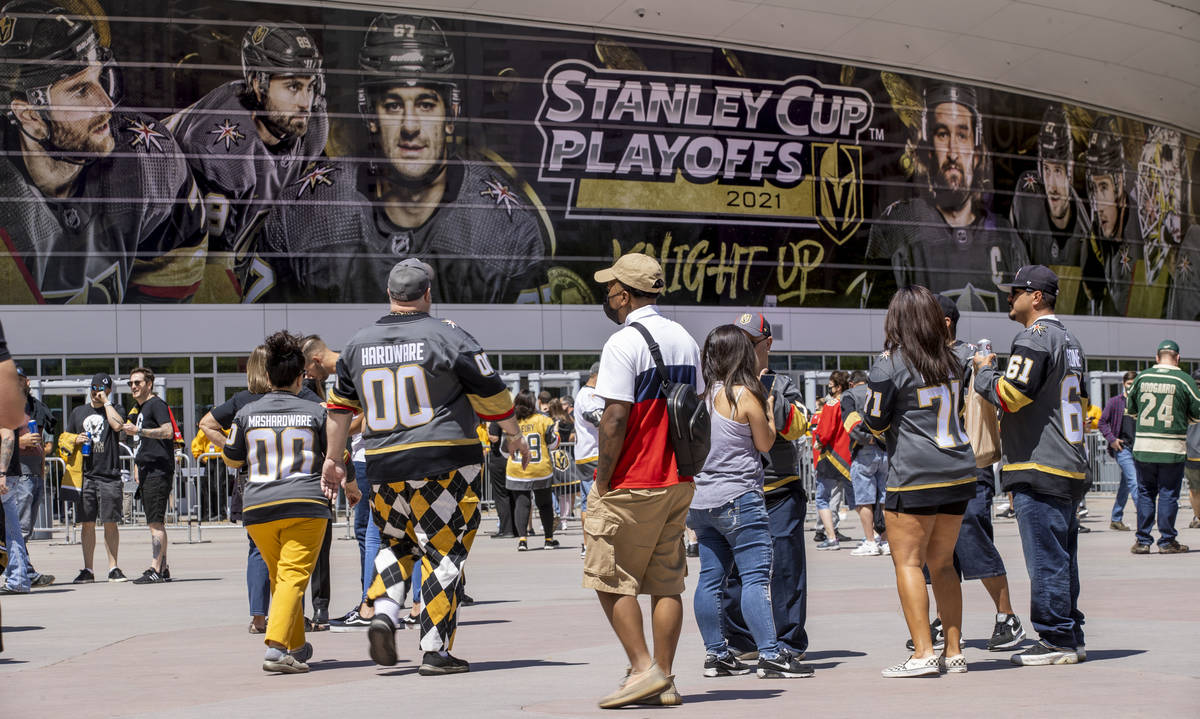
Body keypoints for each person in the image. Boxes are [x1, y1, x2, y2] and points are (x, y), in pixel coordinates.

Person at [321, 258, 530, 676]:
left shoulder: (358, 344)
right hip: (446, 462)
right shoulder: (448, 337)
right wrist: (511, 433)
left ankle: (383, 610)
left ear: (390, 296)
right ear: (428, 295)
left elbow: (339, 410)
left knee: (395, 543)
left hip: (382, 464)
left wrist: (333, 458)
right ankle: (435, 649)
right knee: (445, 551)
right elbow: (493, 393)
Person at [258, 13, 547, 303]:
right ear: (370, 116)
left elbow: (531, 344)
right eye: (394, 105)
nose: (410, 126)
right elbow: (263, 337)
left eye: (425, 105)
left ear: (451, 114)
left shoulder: (506, 228)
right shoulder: (303, 212)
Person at [0, 0, 207, 304]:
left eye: (100, 78)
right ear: (29, 114)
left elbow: (171, 295)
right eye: (80, 90)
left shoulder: (147, 159)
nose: (106, 105)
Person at [583, 252, 701, 708]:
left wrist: (604, 478)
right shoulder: (685, 339)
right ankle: (665, 679)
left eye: (611, 288)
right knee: (667, 581)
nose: (608, 295)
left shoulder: (623, 341)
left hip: (634, 477)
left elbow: (614, 417)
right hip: (677, 478)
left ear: (624, 294)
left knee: (609, 577)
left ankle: (640, 668)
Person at [222, 331, 358, 674]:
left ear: (267, 378)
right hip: (305, 503)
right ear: (301, 378)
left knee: (283, 577)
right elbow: (338, 451)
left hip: (258, 507)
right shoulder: (317, 410)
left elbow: (231, 458)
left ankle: (296, 644)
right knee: (295, 574)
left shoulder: (246, 413)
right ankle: (276, 648)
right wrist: (350, 482)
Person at [974, 265, 1090, 665]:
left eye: (1016, 291)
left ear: (1036, 297)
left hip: (1040, 463)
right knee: (1062, 556)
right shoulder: (1071, 340)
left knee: (1046, 557)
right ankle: (1069, 633)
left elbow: (1010, 395)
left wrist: (984, 372)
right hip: (1068, 462)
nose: (1010, 297)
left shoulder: (1035, 336)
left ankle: (1056, 636)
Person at [164, 21, 327, 303]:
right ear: (257, 83)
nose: (305, 103)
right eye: (292, 86)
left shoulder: (310, 127)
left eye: (310, 87)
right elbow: (212, 275)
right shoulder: (222, 147)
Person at [862, 286, 975, 677]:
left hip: (914, 474)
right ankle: (954, 650)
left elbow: (873, 421)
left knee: (909, 563)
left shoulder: (889, 363)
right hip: (959, 470)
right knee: (943, 564)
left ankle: (924, 652)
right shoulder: (955, 358)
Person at [690, 324, 813, 680]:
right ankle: (771, 654)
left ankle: (716, 654)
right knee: (756, 579)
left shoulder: (702, 396)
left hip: (702, 502)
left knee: (711, 579)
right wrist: (770, 412)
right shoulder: (744, 394)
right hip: (739, 499)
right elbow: (764, 443)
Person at [921, 294, 1025, 652]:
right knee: (935, 551)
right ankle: (945, 622)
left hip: (968, 464)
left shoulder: (968, 356)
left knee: (973, 541)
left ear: (945, 322)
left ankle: (1006, 617)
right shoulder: (922, 359)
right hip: (933, 467)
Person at [866, 83, 1028, 312]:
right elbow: (876, 317)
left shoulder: (1005, 236)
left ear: (978, 153)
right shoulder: (901, 224)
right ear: (926, 150)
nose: (953, 152)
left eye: (962, 135)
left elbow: (1028, 314)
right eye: (942, 134)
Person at [200, 346, 323, 632]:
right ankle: (290, 625)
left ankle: (259, 616)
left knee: (259, 552)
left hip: (254, 486)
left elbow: (206, 424)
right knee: (293, 562)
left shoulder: (243, 403)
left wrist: (239, 454)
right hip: (297, 487)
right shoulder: (302, 397)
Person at [723, 313, 812, 662]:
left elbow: (799, 426)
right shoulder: (723, 385)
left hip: (779, 489)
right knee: (733, 573)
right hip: (737, 491)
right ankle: (741, 639)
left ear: (767, 344)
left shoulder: (782, 383)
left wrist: (765, 393)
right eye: (737, 341)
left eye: (750, 342)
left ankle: (787, 640)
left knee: (786, 569)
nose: (742, 349)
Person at [1010, 105, 1091, 314]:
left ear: (1070, 171)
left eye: (1058, 170)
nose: (1052, 184)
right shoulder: (1027, 197)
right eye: (1047, 169)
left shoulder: (1083, 228)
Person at [1125, 340, 1200, 554]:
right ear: (1178, 358)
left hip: (1144, 447)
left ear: (1157, 358)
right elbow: (1197, 413)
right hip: (1172, 448)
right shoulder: (1184, 380)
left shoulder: (1142, 377)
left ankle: (1142, 541)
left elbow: (1130, 409)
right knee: (1168, 494)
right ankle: (1167, 541)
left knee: (1146, 492)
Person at [1081, 116, 1148, 316]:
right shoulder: (1097, 233)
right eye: (1094, 188)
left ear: (1119, 183)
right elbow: (1092, 289)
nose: (1098, 205)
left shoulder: (1141, 230)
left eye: (1103, 187)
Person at [65, 373, 128, 583]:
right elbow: (66, 438)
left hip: (109, 474)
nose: (95, 393)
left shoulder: (116, 408)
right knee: (87, 523)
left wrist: (106, 402)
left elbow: (118, 426)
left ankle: (113, 568)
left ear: (108, 390)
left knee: (110, 522)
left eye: (100, 389)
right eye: (93, 388)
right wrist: (76, 438)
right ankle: (88, 569)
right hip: (86, 475)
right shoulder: (78, 412)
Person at [122, 367, 176, 584]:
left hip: (158, 471)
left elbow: (168, 431)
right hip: (147, 471)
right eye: (131, 383)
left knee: (154, 523)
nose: (134, 386)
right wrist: (137, 465)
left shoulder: (156, 405)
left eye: (138, 382)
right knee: (157, 523)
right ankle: (162, 568)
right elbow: (141, 443)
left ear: (149, 384)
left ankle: (154, 568)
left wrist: (140, 431)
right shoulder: (141, 408)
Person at [506, 390, 560, 551]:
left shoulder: (511, 422)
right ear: (533, 403)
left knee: (521, 505)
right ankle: (548, 539)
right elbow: (553, 444)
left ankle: (522, 540)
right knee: (545, 504)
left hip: (517, 469)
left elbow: (504, 450)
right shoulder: (543, 420)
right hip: (540, 469)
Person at [842, 370, 889, 556]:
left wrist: (867, 438)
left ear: (852, 383)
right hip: (885, 449)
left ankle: (870, 541)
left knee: (864, 500)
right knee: (884, 498)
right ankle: (886, 540)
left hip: (864, 451)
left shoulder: (849, 395)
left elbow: (850, 422)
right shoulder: (878, 392)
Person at [814, 371, 854, 550]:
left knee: (822, 498)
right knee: (861, 500)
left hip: (831, 457)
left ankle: (831, 537)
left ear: (837, 387)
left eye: (830, 386)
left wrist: (818, 441)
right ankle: (876, 536)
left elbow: (825, 430)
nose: (829, 390)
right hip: (849, 456)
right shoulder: (851, 401)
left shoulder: (832, 403)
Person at [1099, 371, 1138, 531]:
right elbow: (1102, 422)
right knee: (1135, 482)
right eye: (1129, 384)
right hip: (1122, 448)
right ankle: (1145, 515)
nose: (1132, 387)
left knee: (1126, 484)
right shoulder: (1115, 402)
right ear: (1124, 384)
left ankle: (1116, 518)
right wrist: (1112, 439)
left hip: (1138, 449)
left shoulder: (1141, 402)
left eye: (1134, 384)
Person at [573, 363, 602, 558]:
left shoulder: (583, 394)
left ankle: (587, 544)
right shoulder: (589, 396)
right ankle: (590, 543)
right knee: (595, 502)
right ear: (597, 375)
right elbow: (598, 418)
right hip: (594, 454)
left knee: (587, 502)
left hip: (585, 454)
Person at [1188, 369, 1200, 529]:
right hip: (1192, 452)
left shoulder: (1187, 400)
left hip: (1192, 452)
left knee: (1195, 489)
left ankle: (1198, 517)